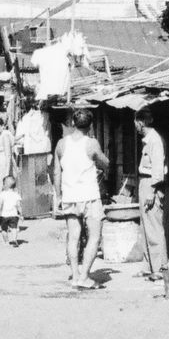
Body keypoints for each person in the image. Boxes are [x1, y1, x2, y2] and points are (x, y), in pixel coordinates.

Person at [53, 108, 108, 289]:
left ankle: (75, 275)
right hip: (90, 196)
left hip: (69, 196)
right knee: (94, 237)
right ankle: (85, 276)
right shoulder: (91, 143)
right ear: (90, 125)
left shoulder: (61, 144)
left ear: (73, 123)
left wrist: (59, 197)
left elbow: (56, 173)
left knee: (73, 238)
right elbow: (105, 163)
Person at [135, 106, 169, 290]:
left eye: (136, 122)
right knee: (145, 226)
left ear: (141, 122)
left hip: (152, 185)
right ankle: (149, 267)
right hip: (145, 183)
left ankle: (159, 268)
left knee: (154, 226)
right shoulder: (147, 140)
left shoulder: (155, 140)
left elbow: (157, 168)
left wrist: (152, 191)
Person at [0, 175, 22, 246]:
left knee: (4, 229)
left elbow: (0, 205)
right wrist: (21, 214)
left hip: (4, 215)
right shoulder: (16, 194)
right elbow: (18, 206)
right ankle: (14, 239)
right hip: (14, 215)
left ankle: (6, 242)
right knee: (14, 228)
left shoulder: (2, 194)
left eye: (3, 184)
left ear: (6, 185)